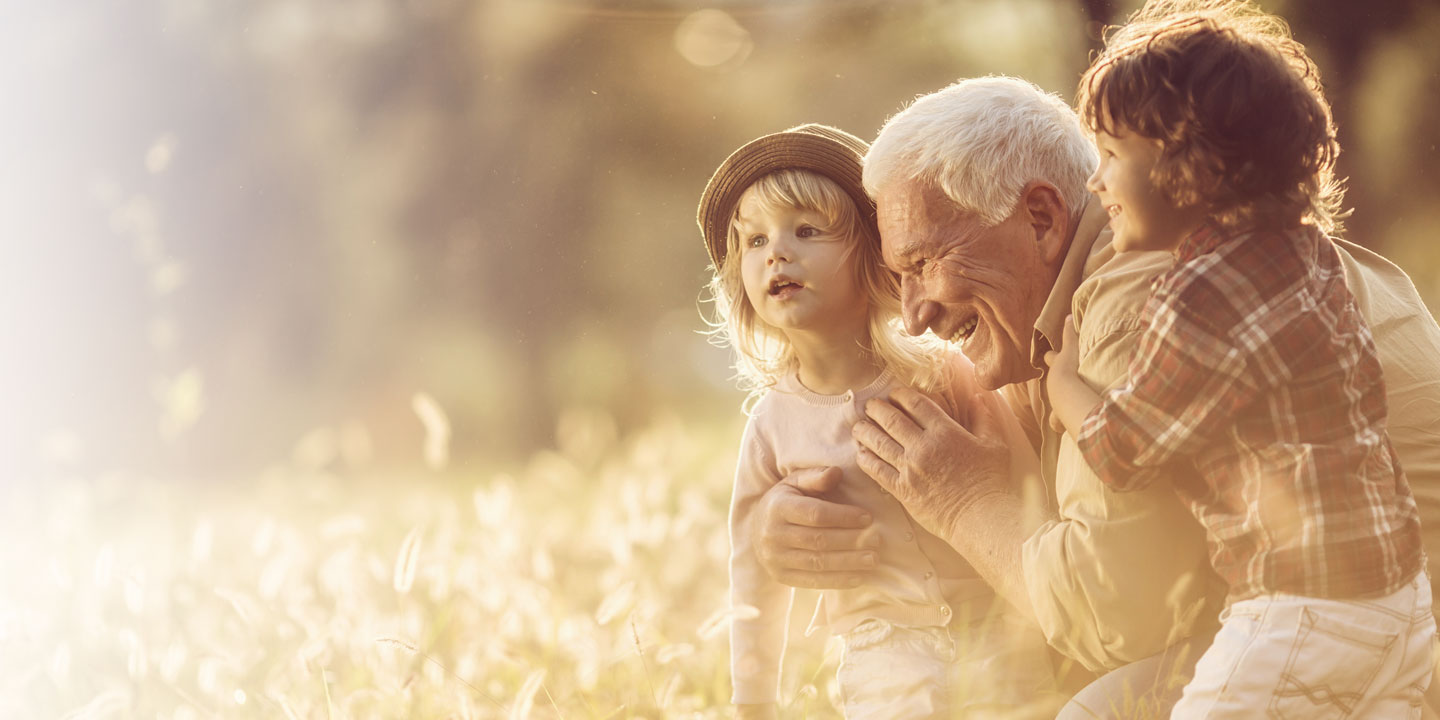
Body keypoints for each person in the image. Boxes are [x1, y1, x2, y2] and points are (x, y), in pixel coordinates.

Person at [748, 64, 1440, 720]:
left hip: (1367, 621)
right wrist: (803, 520)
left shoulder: (1129, 295)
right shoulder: (1064, 307)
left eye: (924, 262)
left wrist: (965, 502)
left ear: (1043, 218)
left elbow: (1117, 617)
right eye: (898, 277)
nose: (916, 313)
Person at [1038, 2, 1434, 715]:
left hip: (1303, 610)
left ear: (1189, 163)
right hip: (1400, 604)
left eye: (1111, 156)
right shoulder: (1306, 250)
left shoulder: (1200, 294)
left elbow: (1125, 450)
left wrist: (1062, 382)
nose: (1096, 184)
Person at [696, 124, 1058, 719]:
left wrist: (1045, 616)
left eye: (806, 231)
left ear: (873, 256)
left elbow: (1025, 481)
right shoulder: (770, 425)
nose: (777, 252)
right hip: (883, 650)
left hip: (998, 629)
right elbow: (751, 573)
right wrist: (753, 700)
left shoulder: (945, 375)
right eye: (755, 241)